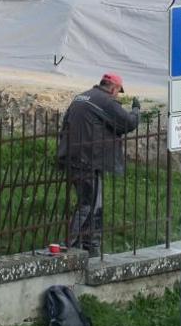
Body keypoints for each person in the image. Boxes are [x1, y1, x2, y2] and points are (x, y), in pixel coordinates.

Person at [57, 73, 140, 255]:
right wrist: (136, 110)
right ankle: (70, 247)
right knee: (88, 204)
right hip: (87, 160)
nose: (117, 95)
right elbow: (128, 123)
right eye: (118, 92)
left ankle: (90, 248)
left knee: (95, 204)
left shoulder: (81, 96)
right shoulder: (106, 101)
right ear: (113, 87)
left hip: (72, 156)